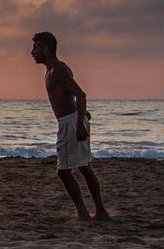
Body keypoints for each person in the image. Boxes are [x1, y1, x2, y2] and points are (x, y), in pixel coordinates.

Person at [31, 32, 110, 221]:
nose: (32, 52)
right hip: (73, 119)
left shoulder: (58, 70)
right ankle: (100, 212)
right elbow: (71, 97)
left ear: (46, 49)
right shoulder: (54, 69)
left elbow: (80, 95)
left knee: (64, 171)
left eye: (36, 48)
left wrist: (79, 123)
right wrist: (81, 116)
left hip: (70, 123)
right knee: (84, 167)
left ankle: (83, 213)